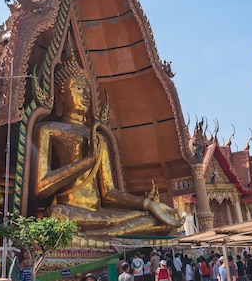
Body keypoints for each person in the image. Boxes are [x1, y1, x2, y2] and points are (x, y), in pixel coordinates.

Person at [32, 56, 183, 237]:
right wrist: (86, 162)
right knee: (56, 216)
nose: (86, 96)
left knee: (158, 221)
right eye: (79, 89)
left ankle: (96, 237)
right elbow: (39, 189)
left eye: (88, 90)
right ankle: (104, 235)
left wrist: (149, 204)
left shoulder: (98, 137)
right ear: (60, 94)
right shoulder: (49, 130)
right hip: (69, 211)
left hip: (101, 214)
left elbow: (109, 193)